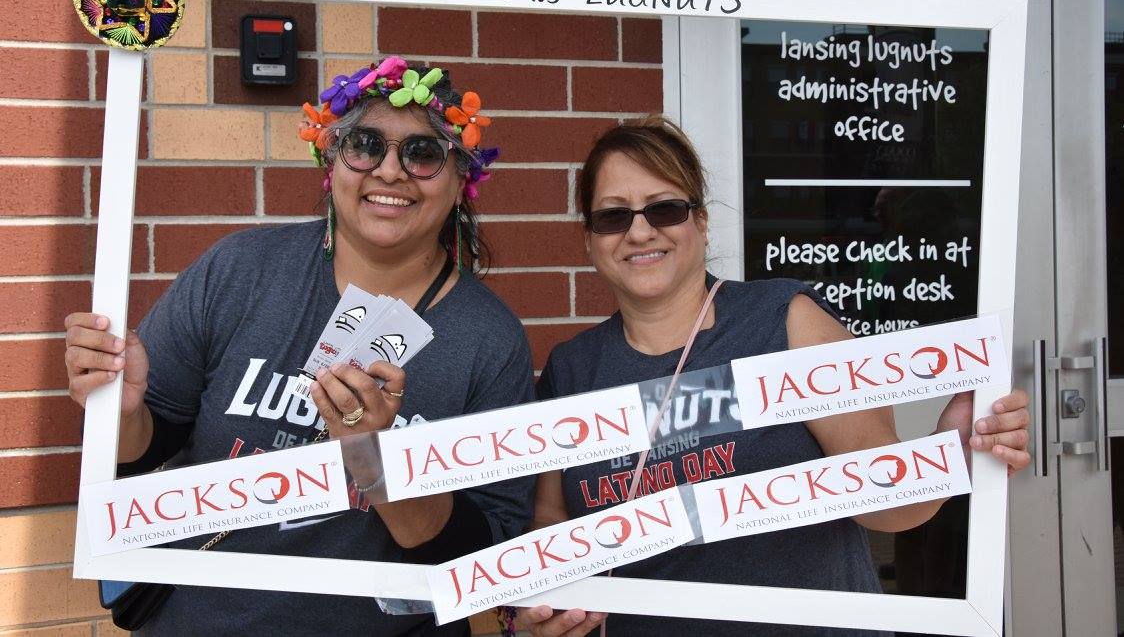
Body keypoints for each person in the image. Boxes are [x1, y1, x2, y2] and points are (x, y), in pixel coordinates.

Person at [65, 56, 532, 636]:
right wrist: (125, 410)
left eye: (423, 153)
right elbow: (140, 450)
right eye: (365, 144)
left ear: (461, 180)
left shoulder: (489, 339)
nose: (390, 171)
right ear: (331, 160)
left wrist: (376, 459)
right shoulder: (240, 271)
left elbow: (484, 559)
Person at [517, 116, 1031, 637]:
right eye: (612, 217)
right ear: (589, 240)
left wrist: (954, 446)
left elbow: (887, 502)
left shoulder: (785, 321)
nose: (640, 231)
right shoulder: (574, 368)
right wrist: (551, 600)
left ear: (700, 221)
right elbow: (553, 523)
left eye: (664, 208)